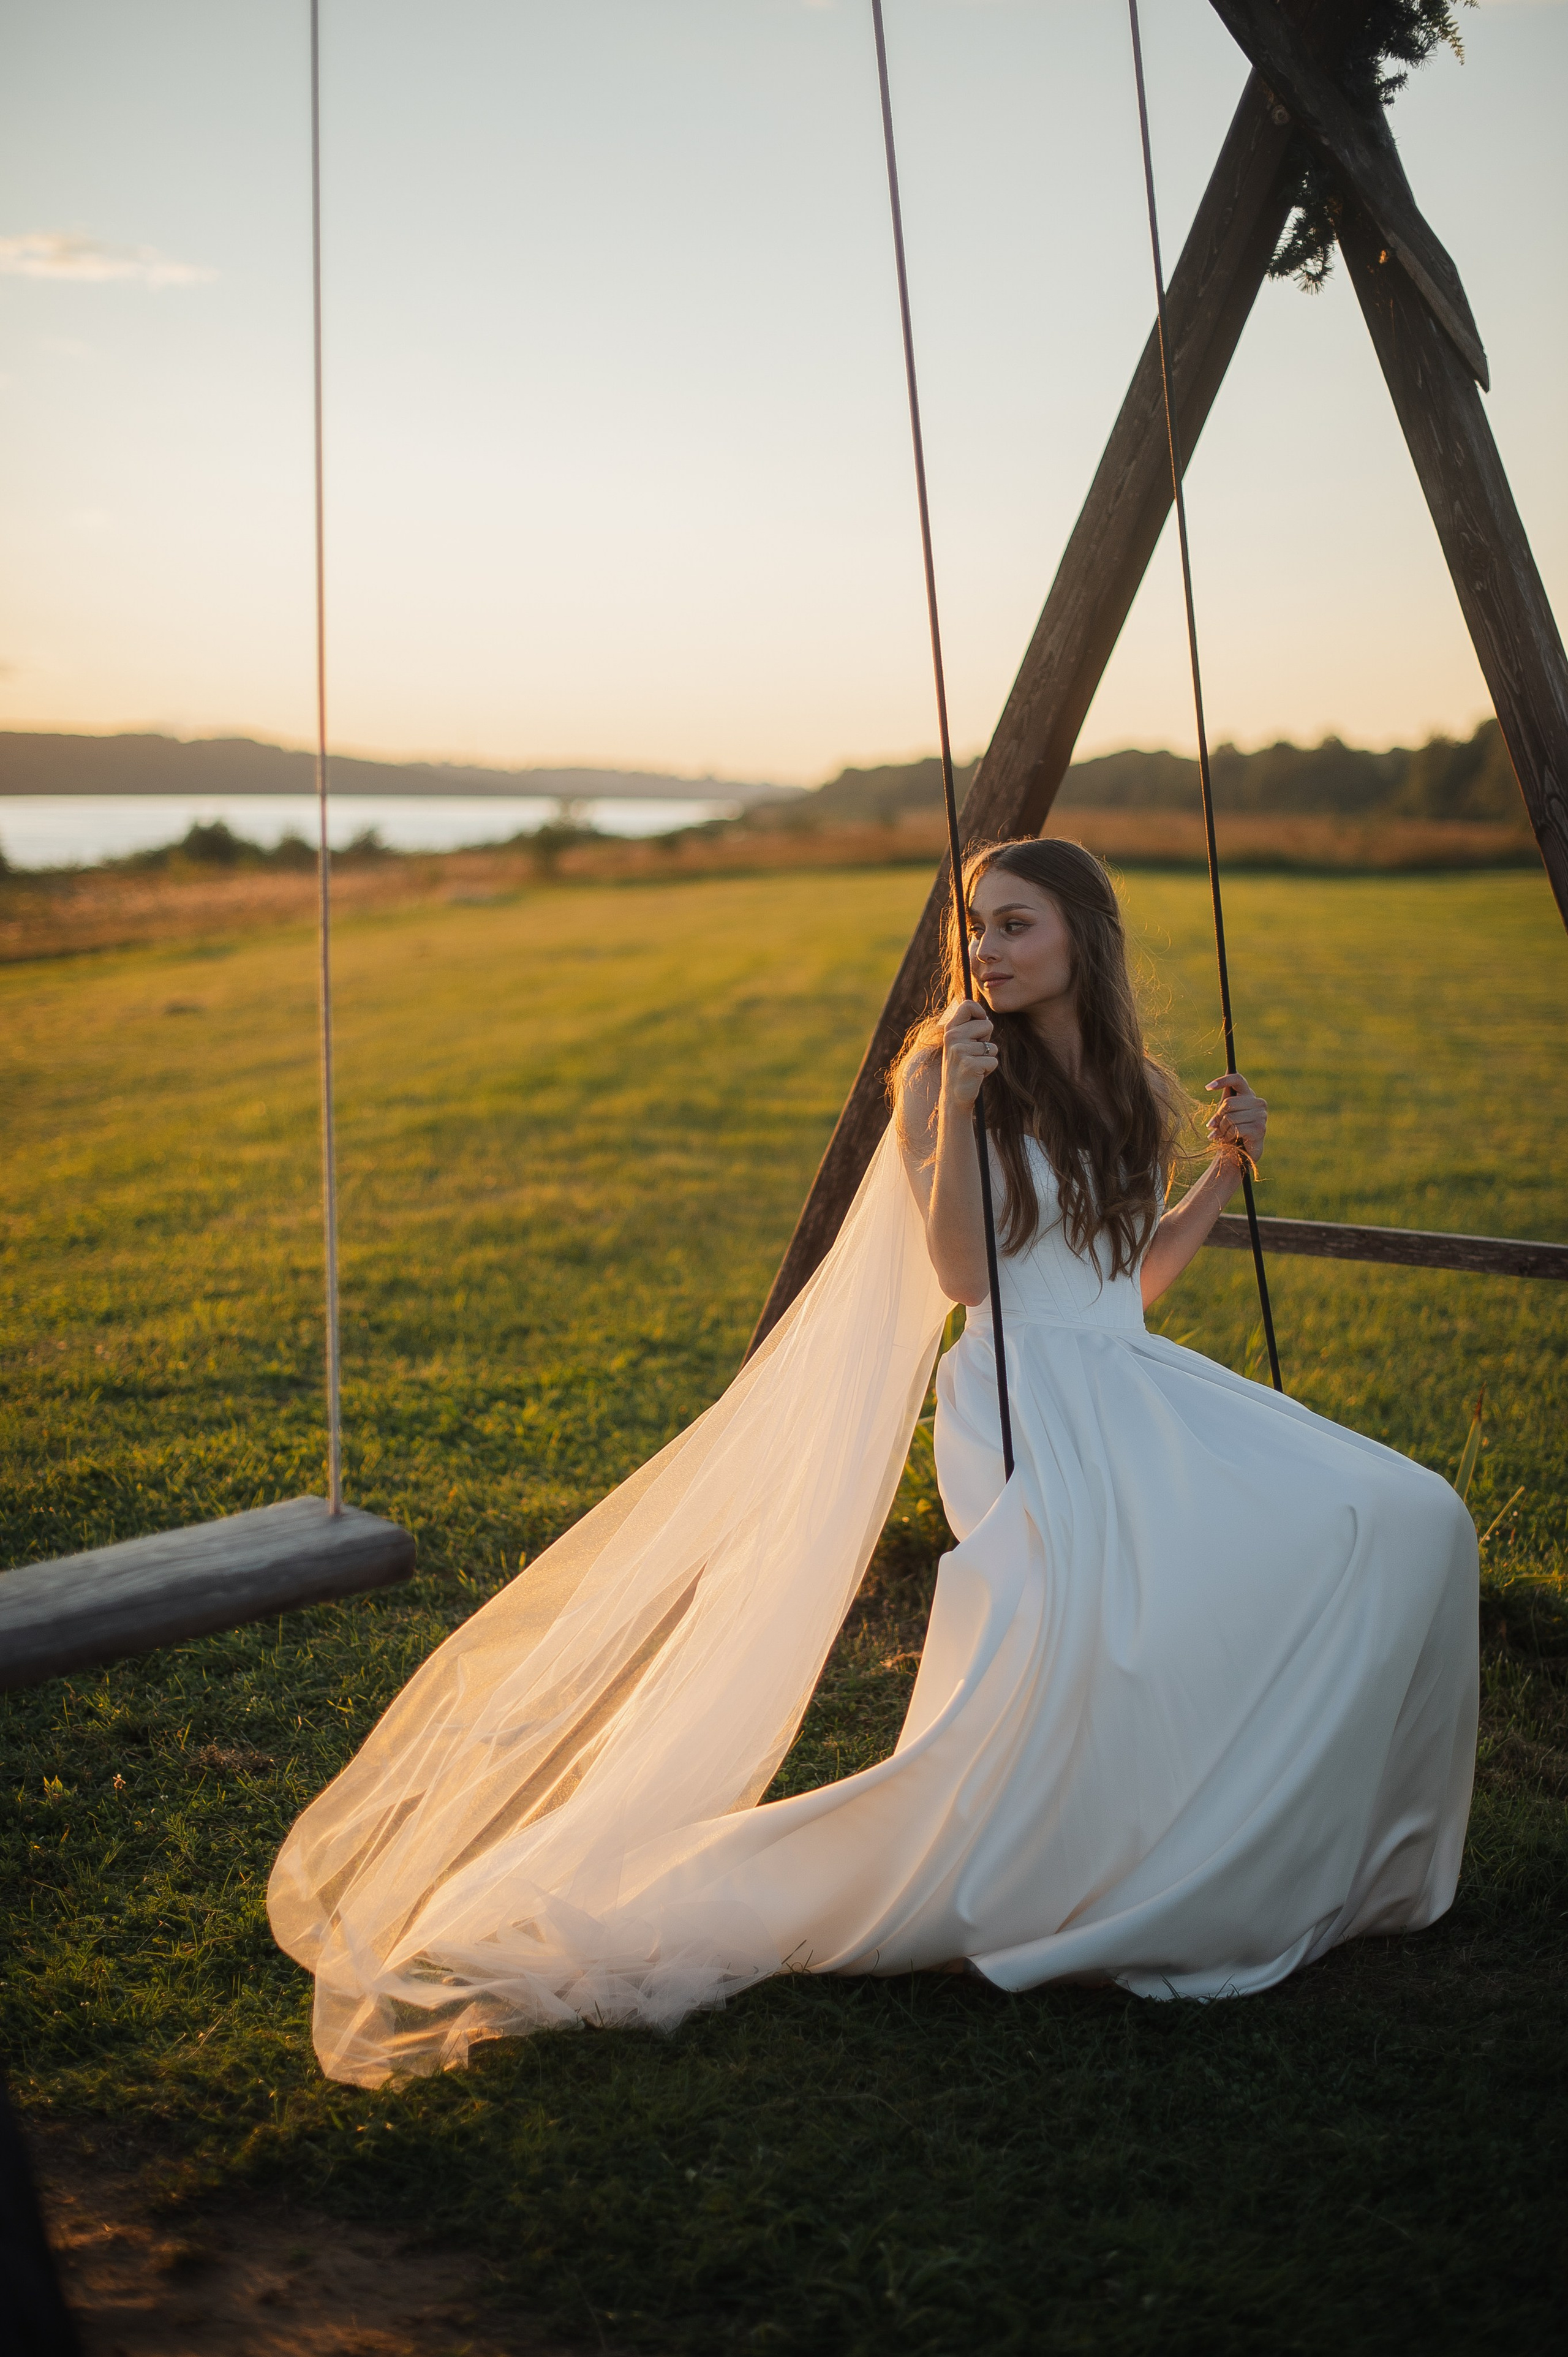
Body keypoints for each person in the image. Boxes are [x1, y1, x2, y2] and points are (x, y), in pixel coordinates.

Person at [270, 839, 1479, 2087]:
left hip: (1127, 1381)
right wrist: (954, 1108)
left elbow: (1133, 1279)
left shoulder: (1138, 1087)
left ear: (1082, 936)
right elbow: (963, 1274)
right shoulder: (943, 1072)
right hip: (1017, 1397)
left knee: (1405, 1514)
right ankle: (1100, 1869)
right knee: (1115, 1608)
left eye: (1014, 925)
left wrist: (1222, 1172)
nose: (987, 949)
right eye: (977, 927)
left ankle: (1253, 1844)